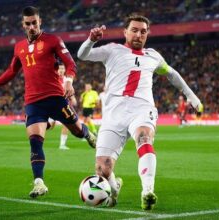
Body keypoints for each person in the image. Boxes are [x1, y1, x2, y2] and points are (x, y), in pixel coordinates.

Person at [77, 14, 204, 210]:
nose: (138, 34)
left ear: (147, 34)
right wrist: (91, 40)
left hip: (142, 110)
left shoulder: (153, 56)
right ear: (125, 32)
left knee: (144, 138)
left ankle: (147, 191)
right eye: (134, 30)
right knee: (102, 169)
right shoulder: (112, 50)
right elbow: (83, 55)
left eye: (143, 31)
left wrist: (192, 97)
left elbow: (171, 74)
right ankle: (114, 188)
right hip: (113, 115)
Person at [0, 6, 96, 198]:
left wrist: (68, 81)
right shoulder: (19, 47)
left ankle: (88, 134)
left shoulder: (52, 41)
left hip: (56, 98)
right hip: (33, 102)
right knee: (35, 141)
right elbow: (11, 71)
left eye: (34, 22)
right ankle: (39, 183)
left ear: (40, 22)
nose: (31, 26)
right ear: (23, 25)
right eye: (28, 23)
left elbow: (70, 64)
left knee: (76, 131)